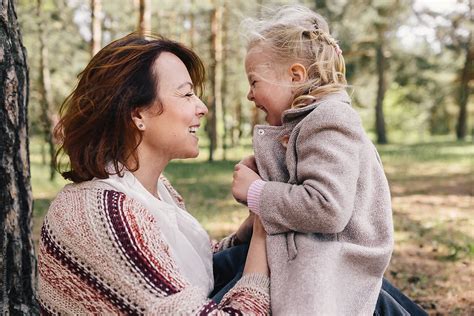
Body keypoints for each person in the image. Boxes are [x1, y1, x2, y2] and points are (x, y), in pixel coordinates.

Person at [37, 33, 270, 315]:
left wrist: (245, 233)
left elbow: (173, 269)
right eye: (186, 94)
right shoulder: (108, 215)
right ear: (138, 115)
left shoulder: (151, 188)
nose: (202, 108)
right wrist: (263, 233)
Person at [232, 5, 426, 315]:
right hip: (311, 251)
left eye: (254, 82)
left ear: (295, 75)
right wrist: (237, 241)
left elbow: (326, 208)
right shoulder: (305, 124)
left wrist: (256, 191)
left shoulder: (329, 120)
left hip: (331, 259)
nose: (249, 95)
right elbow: (283, 209)